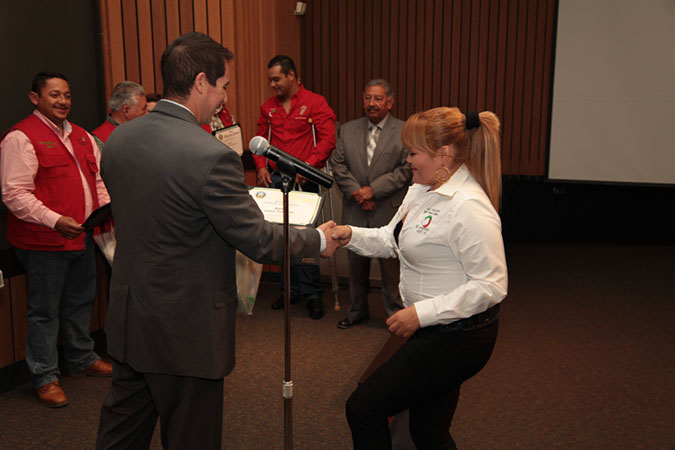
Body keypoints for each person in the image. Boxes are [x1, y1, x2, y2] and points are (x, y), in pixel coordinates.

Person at [95, 32, 338, 449]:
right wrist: (316, 240)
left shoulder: (119, 140)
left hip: (132, 317)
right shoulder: (210, 155)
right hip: (187, 332)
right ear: (202, 82)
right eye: (224, 86)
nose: (224, 98)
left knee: (120, 436)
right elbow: (259, 240)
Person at [332, 107, 508, 448]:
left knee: (363, 408)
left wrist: (420, 313)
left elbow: (491, 285)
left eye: (413, 152)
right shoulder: (422, 188)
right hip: (437, 330)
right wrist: (348, 234)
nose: (407, 159)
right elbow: (390, 239)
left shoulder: (469, 206)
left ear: (444, 155)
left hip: (458, 337)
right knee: (428, 430)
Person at [0, 71, 113, 408]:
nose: (63, 101)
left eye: (66, 95)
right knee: (44, 313)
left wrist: (105, 211)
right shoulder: (21, 137)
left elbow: (98, 181)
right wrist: (55, 220)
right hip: (43, 243)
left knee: (81, 303)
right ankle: (45, 377)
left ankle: (81, 357)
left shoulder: (82, 136)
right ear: (35, 98)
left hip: (82, 237)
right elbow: (13, 194)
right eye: (54, 95)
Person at [253, 54, 336, 319]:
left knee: (306, 238)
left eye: (276, 79)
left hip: (304, 180)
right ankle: (289, 290)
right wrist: (261, 166)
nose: (273, 84)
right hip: (278, 180)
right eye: (270, 80)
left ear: (291, 75)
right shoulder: (268, 107)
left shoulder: (315, 102)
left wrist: (308, 166)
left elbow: (327, 139)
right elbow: (260, 140)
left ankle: (312, 292)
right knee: (280, 237)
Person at [330, 79, 410, 329]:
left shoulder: (404, 130)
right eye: (367, 98)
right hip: (356, 208)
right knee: (356, 267)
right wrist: (358, 193)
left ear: (390, 101)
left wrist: (373, 191)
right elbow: (338, 164)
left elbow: (406, 169)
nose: (371, 104)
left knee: (390, 269)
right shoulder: (348, 129)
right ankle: (356, 311)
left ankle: (395, 315)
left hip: (386, 209)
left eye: (377, 99)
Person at [91, 81, 147, 149]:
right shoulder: (99, 142)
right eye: (144, 109)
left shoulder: (140, 132)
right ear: (126, 110)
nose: (147, 113)